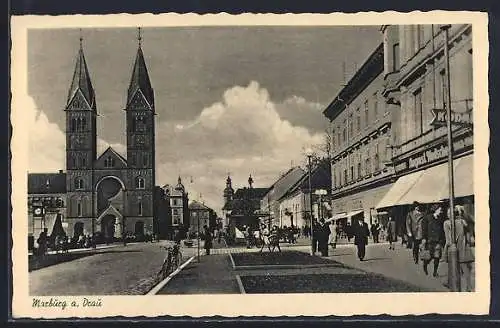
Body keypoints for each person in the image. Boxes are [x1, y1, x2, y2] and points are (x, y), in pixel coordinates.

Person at [444, 205, 474, 291]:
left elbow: (448, 240)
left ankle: (449, 282)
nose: (448, 214)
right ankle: (468, 287)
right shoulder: (462, 221)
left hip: (454, 247)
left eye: (449, 213)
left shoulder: (447, 223)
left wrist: (445, 251)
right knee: (465, 268)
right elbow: (468, 227)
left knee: (452, 265)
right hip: (463, 246)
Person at [421, 204, 445, 277]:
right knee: (429, 256)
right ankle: (425, 266)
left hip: (438, 240)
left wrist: (442, 240)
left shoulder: (440, 218)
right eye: (440, 210)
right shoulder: (427, 218)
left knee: (437, 257)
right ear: (436, 210)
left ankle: (435, 272)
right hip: (429, 240)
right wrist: (424, 238)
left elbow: (442, 230)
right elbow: (424, 229)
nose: (441, 211)